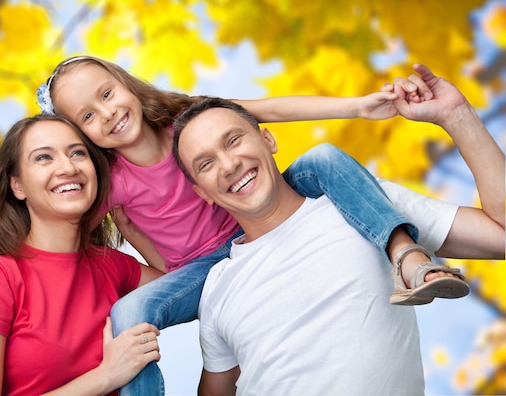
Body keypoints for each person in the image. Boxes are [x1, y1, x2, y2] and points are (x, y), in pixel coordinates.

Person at [37, 56, 494, 395]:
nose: (108, 113)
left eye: (106, 94)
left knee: (320, 159)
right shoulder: (113, 183)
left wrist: (357, 106)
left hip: (256, 222)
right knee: (128, 315)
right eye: (88, 117)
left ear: (124, 82)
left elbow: (269, 108)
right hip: (203, 271)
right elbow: (63, 225)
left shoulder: (187, 119)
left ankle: (406, 255)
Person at [172, 64, 505, 395]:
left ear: (268, 139)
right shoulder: (216, 287)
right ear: (202, 192)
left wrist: (456, 115)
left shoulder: (366, 204)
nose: (229, 165)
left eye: (233, 141)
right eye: (206, 163)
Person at [0, 115, 164, 396]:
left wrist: (135, 235)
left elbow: (186, 288)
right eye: (44, 158)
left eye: (77, 153)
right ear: (17, 186)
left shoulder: (109, 264)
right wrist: (107, 376)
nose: (68, 167)